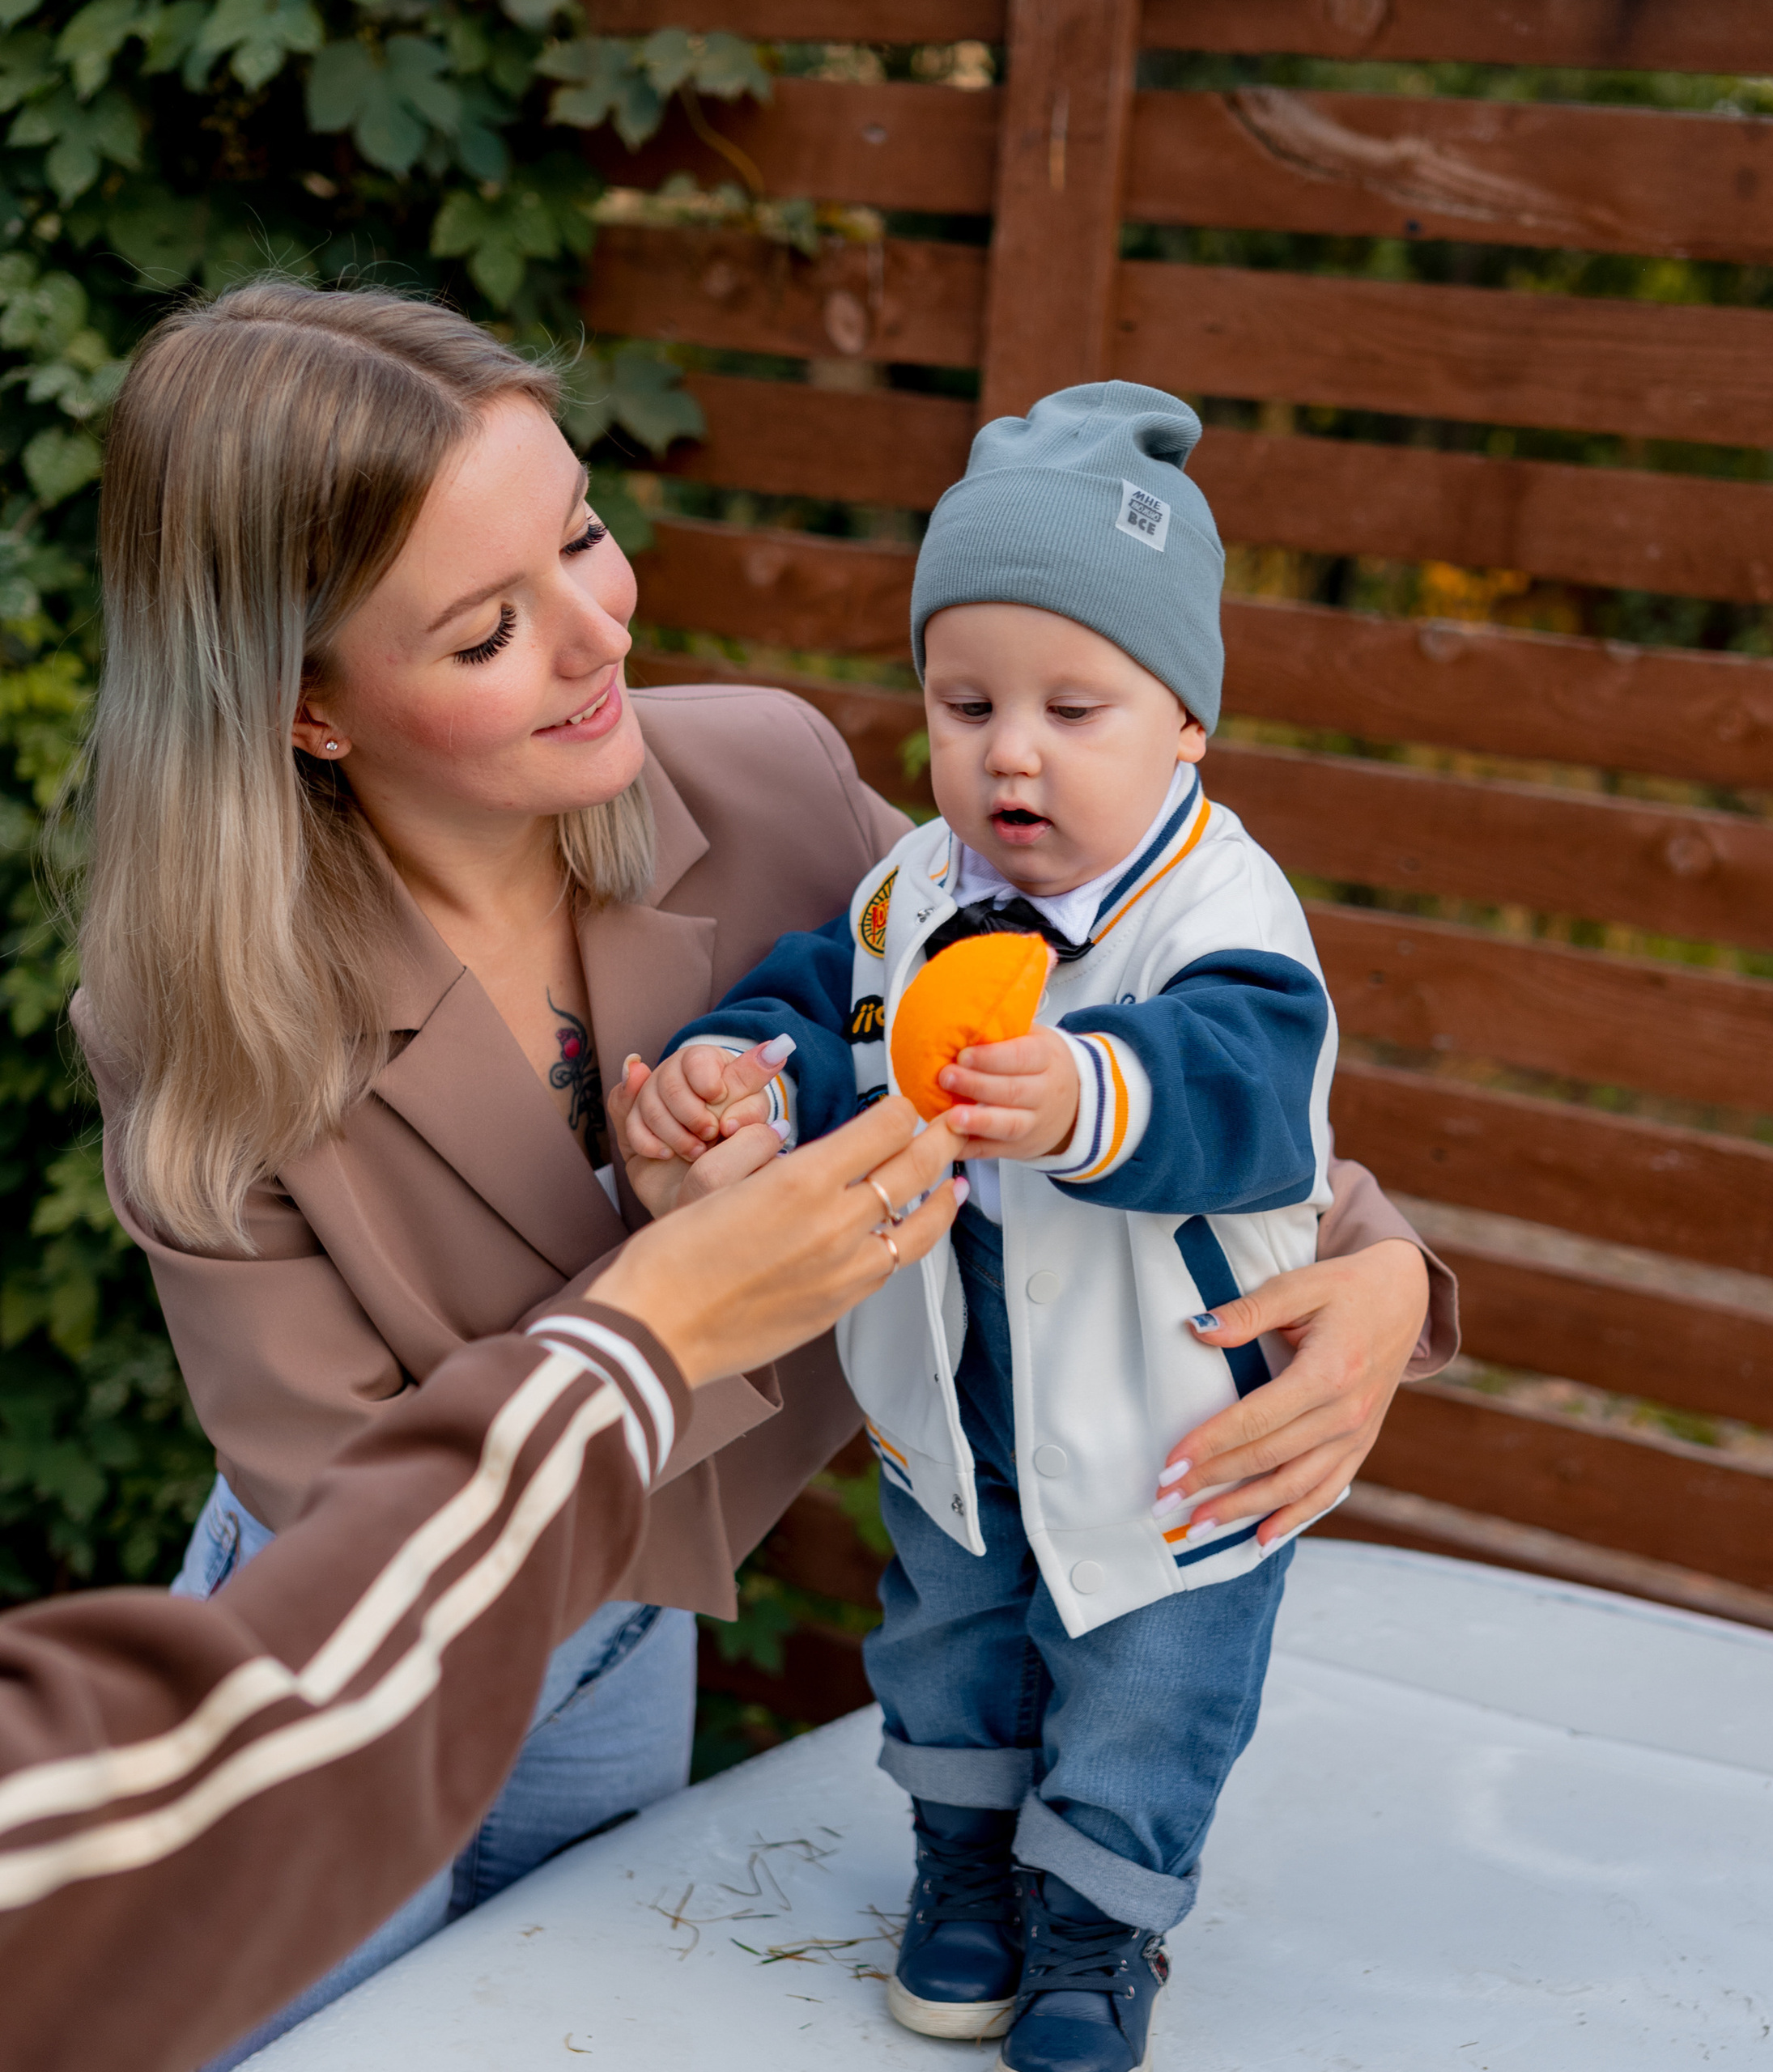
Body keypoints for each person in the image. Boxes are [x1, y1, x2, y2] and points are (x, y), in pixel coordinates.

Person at [71, 282, 1455, 2049]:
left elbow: (1105, 1025)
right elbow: (369, 1517)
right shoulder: (199, 1008)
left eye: (581, 532)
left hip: (630, 1629)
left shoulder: (774, 783)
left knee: (565, 2017)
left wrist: (1383, 1263)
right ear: (309, 712)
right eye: (490, 628)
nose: (598, 637)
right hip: (343, 1662)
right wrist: (666, 1298)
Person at [614, 383, 1444, 2072]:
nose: (1011, 749)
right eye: (963, 697)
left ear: (1185, 722)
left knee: (1147, 1673)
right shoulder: (909, 888)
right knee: (949, 1629)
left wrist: (1085, 1093)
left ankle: (1098, 1920)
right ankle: (964, 1868)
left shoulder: (1223, 909)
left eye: (1077, 705)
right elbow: (823, 1008)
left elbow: (1246, 1082)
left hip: (1166, 1397)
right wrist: (741, 1074)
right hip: (959, 1363)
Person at [0, 1099, 965, 2072]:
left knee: (555, 2010)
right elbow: (212, 1786)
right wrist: (639, 1340)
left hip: (606, 1599)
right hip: (361, 1618)